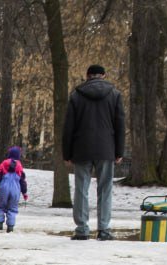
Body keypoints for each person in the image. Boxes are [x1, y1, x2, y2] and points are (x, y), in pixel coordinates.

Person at [62, 64, 126, 240]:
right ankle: (104, 229)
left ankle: (82, 228)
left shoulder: (76, 95)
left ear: (87, 75)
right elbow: (120, 125)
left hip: (81, 148)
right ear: (103, 75)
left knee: (81, 189)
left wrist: (66, 154)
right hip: (106, 149)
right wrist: (119, 151)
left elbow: (68, 127)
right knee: (105, 189)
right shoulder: (114, 94)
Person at [0, 146, 29, 233]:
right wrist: (24, 193)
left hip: (3, 188)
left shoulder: (4, 164)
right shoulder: (19, 166)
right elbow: (22, 181)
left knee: (0, 206)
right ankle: (10, 227)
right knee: (12, 208)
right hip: (15, 190)